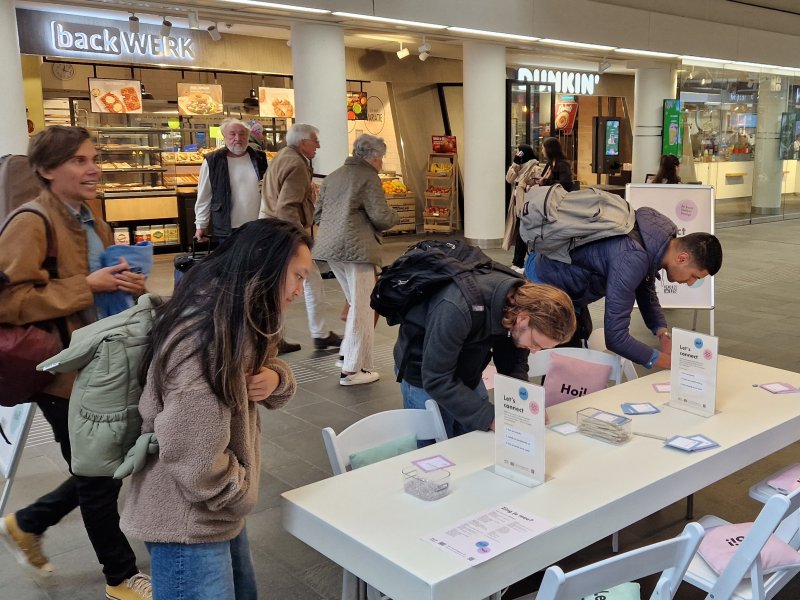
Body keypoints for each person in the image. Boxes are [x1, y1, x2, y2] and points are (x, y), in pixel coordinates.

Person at [0, 126, 150, 600]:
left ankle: (28, 522)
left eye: (94, 158)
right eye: (79, 161)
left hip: (99, 363)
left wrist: (126, 285)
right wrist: (92, 285)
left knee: (100, 466)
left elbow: (94, 281)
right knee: (97, 475)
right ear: (46, 170)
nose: (94, 169)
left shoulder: (89, 215)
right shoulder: (31, 221)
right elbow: (9, 301)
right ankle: (120, 577)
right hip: (60, 372)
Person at [120, 218, 307, 600]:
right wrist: (236, 491)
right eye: (298, 277)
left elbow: (257, 378)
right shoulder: (209, 337)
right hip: (188, 520)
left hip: (209, 515)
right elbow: (191, 452)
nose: (300, 291)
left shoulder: (232, 318)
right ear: (267, 270)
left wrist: (275, 377)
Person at [526, 207, 723, 370]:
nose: (690, 282)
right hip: (549, 282)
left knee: (578, 340)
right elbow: (616, 338)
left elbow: (645, 285)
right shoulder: (631, 258)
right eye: (694, 276)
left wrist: (662, 332)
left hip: (559, 272)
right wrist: (671, 364)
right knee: (564, 355)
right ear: (682, 258)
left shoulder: (659, 231)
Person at [395, 277, 575, 436]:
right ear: (523, 319)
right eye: (535, 343)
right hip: (423, 372)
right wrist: (491, 419)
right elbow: (436, 378)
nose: (534, 350)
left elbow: (514, 360)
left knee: (474, 443)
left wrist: (525, 402)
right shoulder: (457, 307)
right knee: (437, 454)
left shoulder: (520, 303)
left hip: (469, 368)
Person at [313, 134, 398, 386]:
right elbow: (382, 217)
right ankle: (352, 370)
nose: (381, 163)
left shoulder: (334, 175)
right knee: (365, 307)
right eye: (381, 158)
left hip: (330, 249)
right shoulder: (368, 177)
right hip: (358, 250)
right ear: (373, 157)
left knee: (354, 302)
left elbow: (317, 214)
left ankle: (345, 354)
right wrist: (396, 215)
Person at [260, 123, 342, 352]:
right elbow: (287, 207)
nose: (318, 145)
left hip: (271, 228)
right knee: (307, 281)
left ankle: (276, 337)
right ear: (302, 142)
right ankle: (319, 334)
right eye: (315, 140)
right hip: (285, 233)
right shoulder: (296, 164)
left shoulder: (283, 156)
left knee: (278, 283)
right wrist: (298, 241)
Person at [194, 118, 268, 243]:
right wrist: (201, 225)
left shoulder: (260, 158)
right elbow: (204, 195)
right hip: (226, 228)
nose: (238, 138)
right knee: (230, 261)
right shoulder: (212, 161)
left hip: (257, 224)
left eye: (242, 134)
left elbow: (270, 190)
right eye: (232, 134)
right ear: (224, 137)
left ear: (248, 137)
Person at [502, 144, 541, 271]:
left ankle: (519, 262)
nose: (516, 153)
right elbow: (509, 179)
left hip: (526, 205)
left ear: (524, 153)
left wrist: (526, 186)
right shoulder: (518, 166)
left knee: (522, 232)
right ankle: (518, 261)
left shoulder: (534, 167)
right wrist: (515, 163)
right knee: (519, 231)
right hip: (516, 204)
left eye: (518, 152)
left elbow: (537, 185)